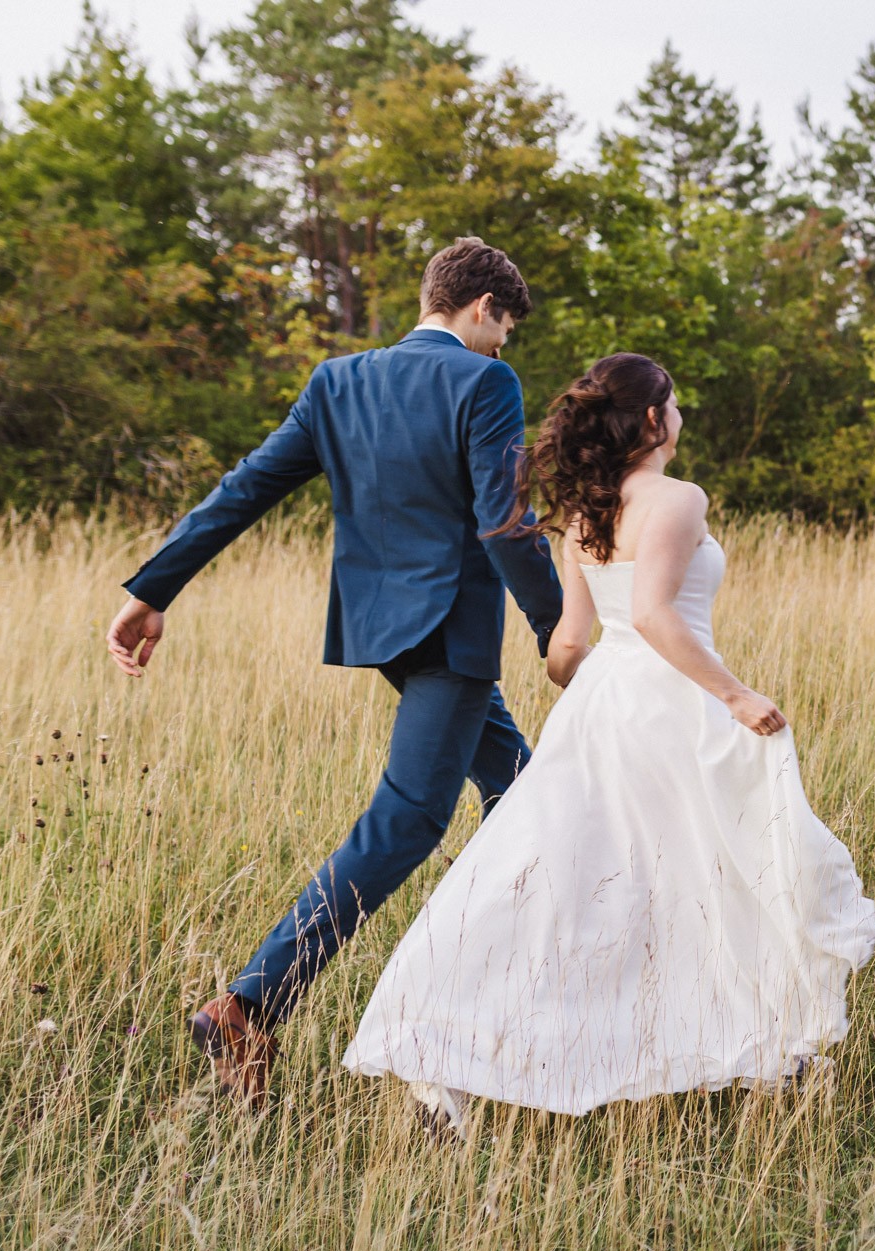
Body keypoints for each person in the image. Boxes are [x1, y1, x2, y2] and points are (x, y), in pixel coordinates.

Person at [342, 352, 875, 1131]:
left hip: (602, 703)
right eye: (676, 402)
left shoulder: (588, 515)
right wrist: (735, 694)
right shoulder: (678, 499)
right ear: (654, 418)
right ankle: (765, 1050)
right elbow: (659, 615)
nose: (682, 413)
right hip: (674, 704)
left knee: (559, 878)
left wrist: (599, 676)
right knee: (711, 868)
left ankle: (443, 1049)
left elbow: (564, 649)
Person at [104, 238, 564, 1109]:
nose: (503, 346)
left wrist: (153, 588)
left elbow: (244, 488)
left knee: (528, 801)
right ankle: (250, 1004)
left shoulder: (337, 382)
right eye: (502, 328)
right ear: (478, 309)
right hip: (452, 637)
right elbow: (504, 519)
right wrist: (557, 632)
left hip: (383, 632)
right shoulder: (483, 381)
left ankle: (534, 1014)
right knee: (409, 819)